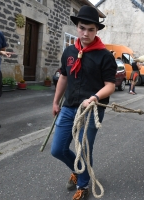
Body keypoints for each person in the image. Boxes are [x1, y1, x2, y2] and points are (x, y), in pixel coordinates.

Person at [50, 5, 117, 200]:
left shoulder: (105, 56)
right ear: (77, 27)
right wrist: (55, 102)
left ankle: (84, 184)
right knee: (58, 150)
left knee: (84, 149)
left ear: (96, 31)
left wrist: (95, 97)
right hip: (69, 107)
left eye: (90, 29)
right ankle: (79, 170)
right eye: (82, 28)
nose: (85, 33)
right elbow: (63, 77)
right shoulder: (69, 51)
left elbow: (110, 85)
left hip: (91, 109)